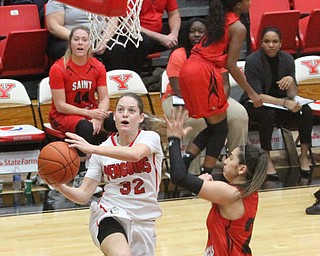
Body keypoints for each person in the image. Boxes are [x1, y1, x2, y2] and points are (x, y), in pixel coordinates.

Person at [43, 92, 163, 255]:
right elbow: (84, 195)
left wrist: (92, 148)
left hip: (144, 222)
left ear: (141, 118)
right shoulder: (102, 151)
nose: (125, 114)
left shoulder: (150, 138)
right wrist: (59, 185)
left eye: (131, 110)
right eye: (120, 110)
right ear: (114, 117)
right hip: (111, 213)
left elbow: (135, 154)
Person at [164, 107, 268, 255]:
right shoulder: (247, 191)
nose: (225, 161)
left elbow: (179, 177)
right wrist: (210, 185)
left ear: (242, 169)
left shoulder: (228, 194)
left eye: (231, 158)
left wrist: (173, 139)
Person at [178, 0, 262, 176]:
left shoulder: (220, 18)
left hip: (189, 68)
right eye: (247, 0)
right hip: (203, 73)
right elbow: (231, 65)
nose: (251, 2)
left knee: (215, 127)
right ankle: (205, 174)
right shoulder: (238, 27)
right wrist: (251, 92)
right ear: (238, 5)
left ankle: (182, 165)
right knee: (221, 129)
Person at [162, 17, 248, 175]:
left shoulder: (216, 54)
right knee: (198, 122)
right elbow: (178, 88)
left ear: (208, 35)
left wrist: (219, 104)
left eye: (201, 31)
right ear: (186, 34)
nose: (196, 34)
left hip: (212, 99)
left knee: (239, 115)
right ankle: (191, 174)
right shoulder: (179, 54)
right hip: (179, 99)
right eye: (192, 31)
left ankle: (234, 166)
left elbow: (225, 84)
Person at [239, 26, 313, 181]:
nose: (271, 45)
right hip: (255, 104)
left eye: (274, 41)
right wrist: (285, 102)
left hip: (280, 104)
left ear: (281, 43)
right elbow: (257, 95)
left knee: (305, 110)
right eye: (267, 41)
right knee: (268, 114)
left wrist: (291, 81)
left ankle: (304, 156)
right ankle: (266, 157)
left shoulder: (287, 59)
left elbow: (292, 94)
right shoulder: (253, 61)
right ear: (261, 43)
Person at [48, 26, 115, 188]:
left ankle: (115, 166)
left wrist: (99, 115)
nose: (80, 43)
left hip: (90, 112)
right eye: (76, 39)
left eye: (84, 40)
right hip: (62, 115)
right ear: (70, 43)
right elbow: (60, 105)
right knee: (85, 127)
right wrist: (89, 113)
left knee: (115, 121)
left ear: (89, 44)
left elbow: (104, 97)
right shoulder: (58, 68)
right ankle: (81, 174)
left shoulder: (97, 66)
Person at [45, 0, 148, 75]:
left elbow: (113, 19)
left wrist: (104, 40)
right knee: (115, 49)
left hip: (102, 35)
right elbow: (54, 27)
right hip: (70, 37)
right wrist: (82, 40)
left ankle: (131, 81)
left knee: (138, 40)